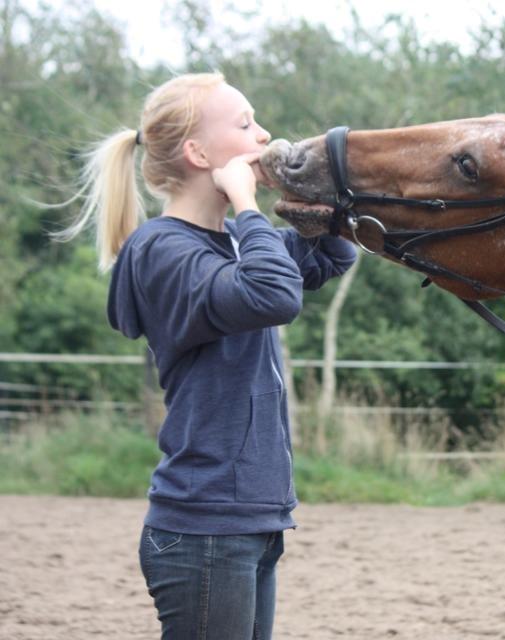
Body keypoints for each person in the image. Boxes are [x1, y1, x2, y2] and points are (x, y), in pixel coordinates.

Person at [54, 72, 357, 639]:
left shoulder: (238, 244)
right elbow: (274, 294)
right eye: (246, 125)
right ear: (197, 153)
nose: (266, 135)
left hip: (250, 520)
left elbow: (334, 257)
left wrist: (309, 197)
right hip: (204, 527)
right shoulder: (162, 251)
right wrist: (246, 202)